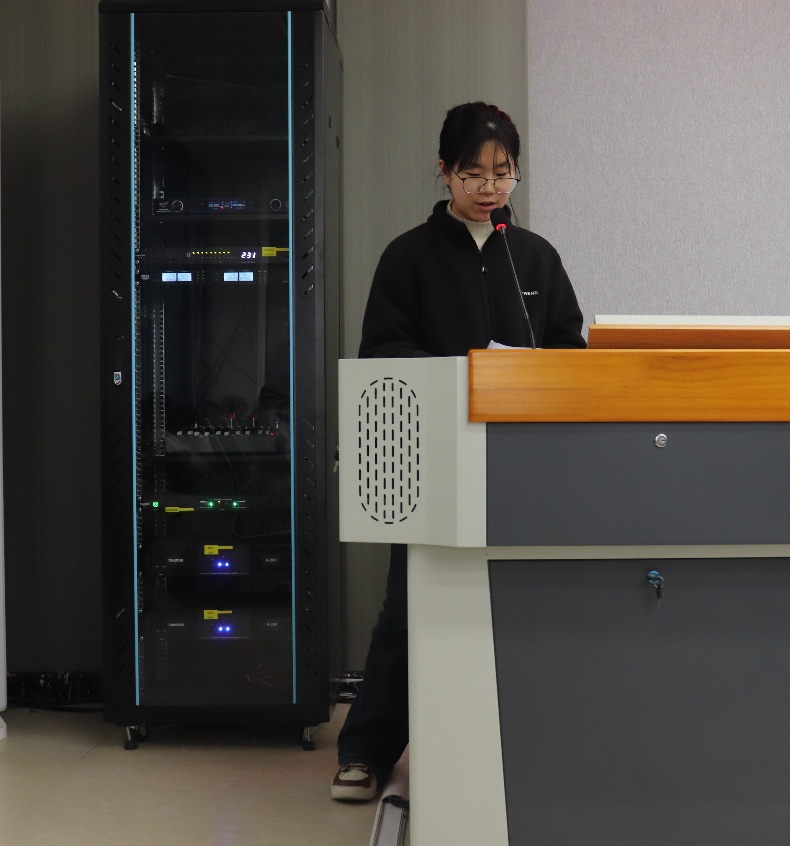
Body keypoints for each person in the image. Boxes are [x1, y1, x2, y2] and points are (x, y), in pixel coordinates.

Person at [330, 102, 586, 802]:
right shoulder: (408, 256)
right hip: (432, 460)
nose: (488, 188)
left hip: (520, 462)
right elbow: (382, 353)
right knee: (408, 608)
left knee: (519, 605)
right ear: (443, 171)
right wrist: (465, 371)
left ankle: (513, 748)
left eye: (502, 173)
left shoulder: (534, 256)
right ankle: (366, 752)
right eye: (473, 173)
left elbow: (569, 349)